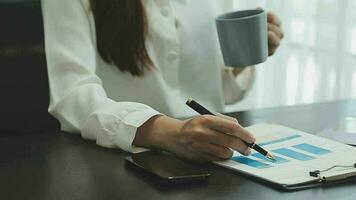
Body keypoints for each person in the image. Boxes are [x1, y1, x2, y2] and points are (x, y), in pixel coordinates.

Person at [41, 0, 283, 161]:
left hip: (215, 156)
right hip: (123, 162)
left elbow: (221, 91)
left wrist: (244, 55)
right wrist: (169, 133)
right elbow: (71, 96)